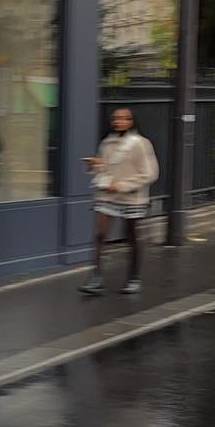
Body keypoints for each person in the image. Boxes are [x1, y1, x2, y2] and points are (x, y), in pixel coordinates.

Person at [80, 106, 158, 296]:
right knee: (100, 234)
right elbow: (106, 171)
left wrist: (122, 185)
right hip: (107, 195)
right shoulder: (106, 143)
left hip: (131, 198)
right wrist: (95, 166)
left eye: (124, 118)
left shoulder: (141, 143)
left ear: (131, 121)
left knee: (132, 237)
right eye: (116, 118)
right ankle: (96, 277)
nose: (119, 121)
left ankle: (133, 277)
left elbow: (150, 173)